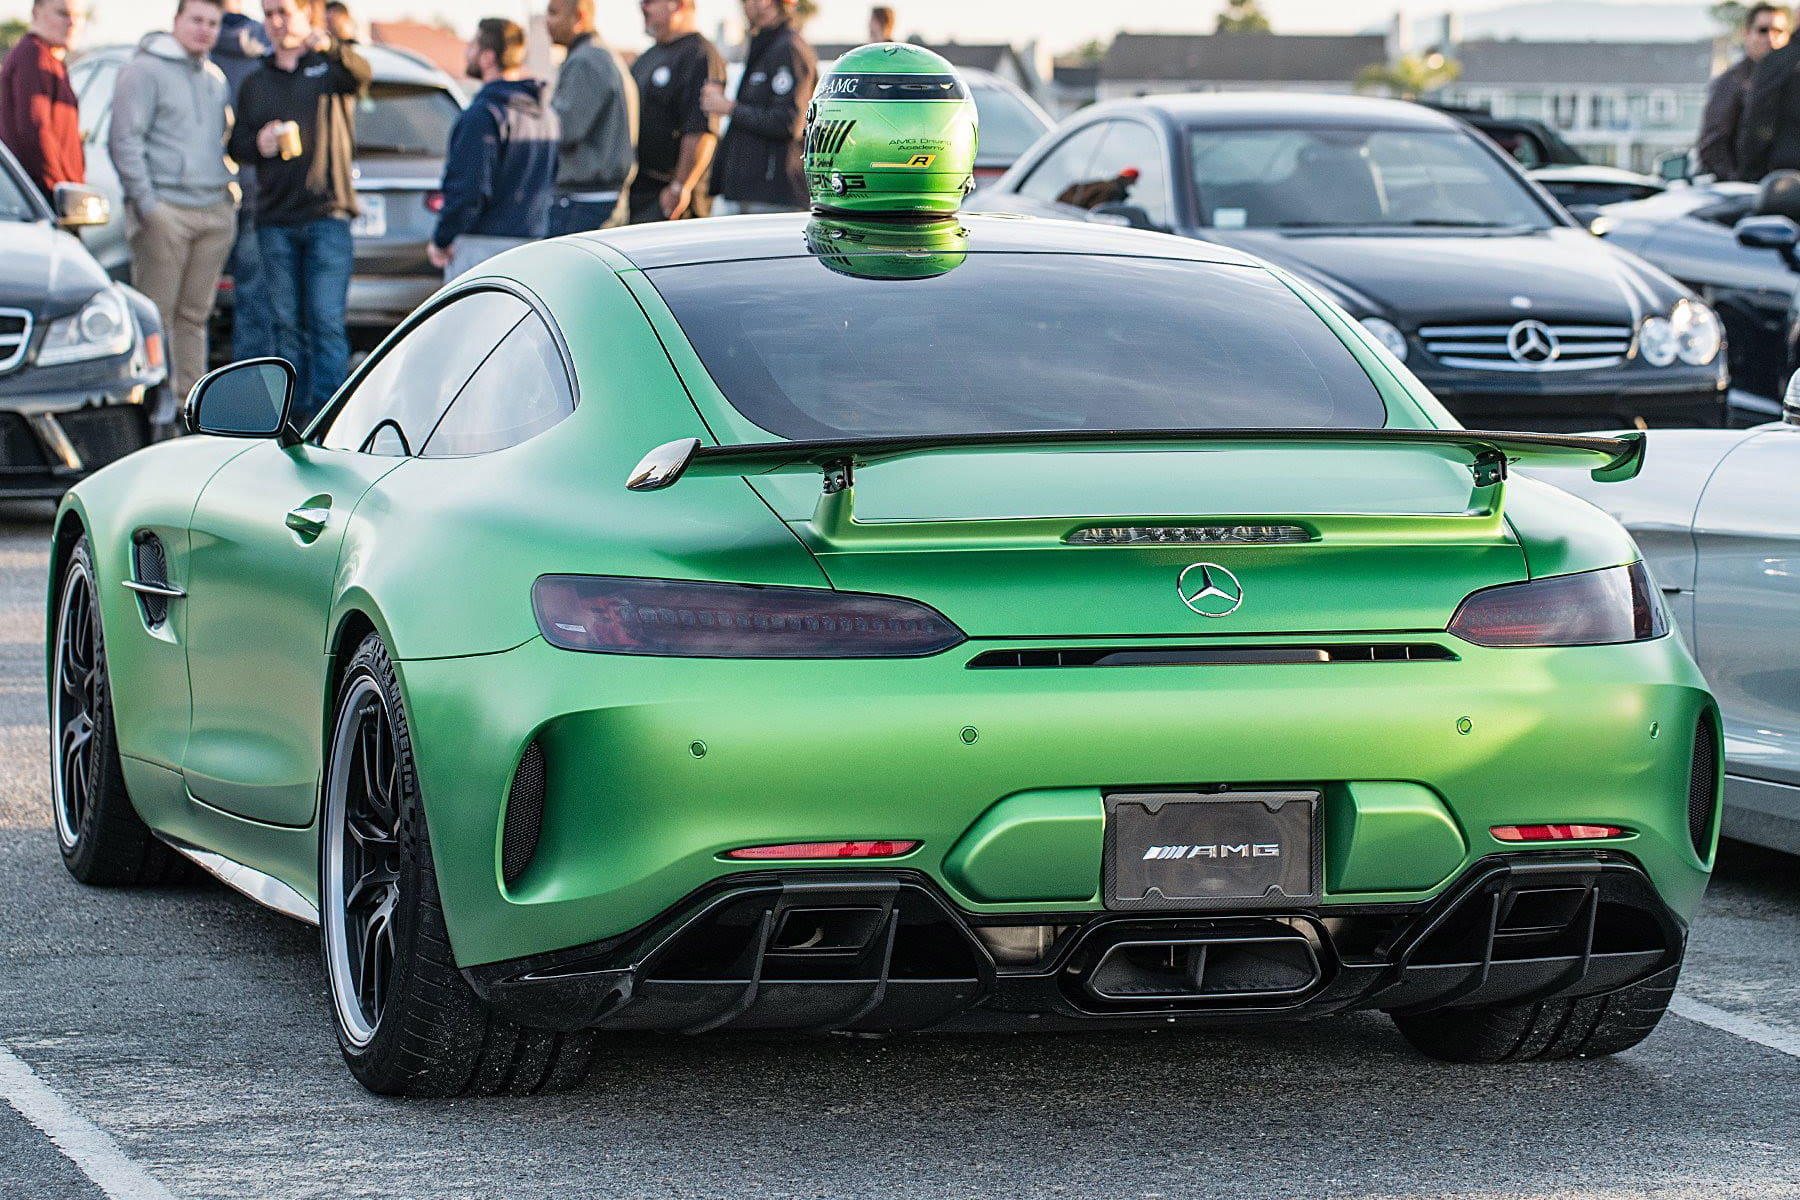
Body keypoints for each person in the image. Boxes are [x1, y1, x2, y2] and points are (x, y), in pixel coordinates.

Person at [227, 0, 371, 422]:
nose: (274, 22)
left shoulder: (329, 67)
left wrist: (329, 44)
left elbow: (362, 74)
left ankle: (330, 420)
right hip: (275, 220)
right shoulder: (256, 81)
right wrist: (260, 145)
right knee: (287, 327)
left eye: (283, 12)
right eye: (268, 13)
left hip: (328, 214)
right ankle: (294, 421)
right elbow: (237, 145)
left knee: (326, 322)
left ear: (308, 15)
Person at [109, 0, 237, 420]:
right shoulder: (143, 70)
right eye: (196, 20)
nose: (204, 30)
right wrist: (148, 206)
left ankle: (190, 408)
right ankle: (152, 409)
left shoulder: (216, 78)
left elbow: (222, 142)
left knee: (195, 317)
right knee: (156, 315)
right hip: (165, 211)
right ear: (176, 22)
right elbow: (125, 141)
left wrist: (228, 199)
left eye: (213, 23)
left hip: (213, 211)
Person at [428, 18, 558, 279]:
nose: (467, 52)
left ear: (488, 57)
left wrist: (442, 239)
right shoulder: (547, 116)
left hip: (482, 251)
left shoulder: (482, 116)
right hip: (533, 248)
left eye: (472, 45)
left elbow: (468, 191)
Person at [703, 0, 816, 214]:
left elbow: (789, 122)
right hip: (750, 194)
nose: (743, 6)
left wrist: (729, 108)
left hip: (773, 199)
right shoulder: (767, 44)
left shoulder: (789, 49)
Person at [212, 0, 273, 361]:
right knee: (256, 303)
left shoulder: (193, 48)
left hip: (202, 194)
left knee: (190, 309)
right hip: (259, 192)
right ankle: (254, 404)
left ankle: (186, 400)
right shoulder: (268, 49)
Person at [628, 0, 725, 223]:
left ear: (677, 4)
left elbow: (701, 130)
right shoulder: (648, 57)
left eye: (650, 2)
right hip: (639, 193)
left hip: (670, 200)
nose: (642, 7)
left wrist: (681, 185)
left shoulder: (700, 56)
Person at [546, 0, 637, 234]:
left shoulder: (586, 60)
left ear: (579, 16)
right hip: (600, 199)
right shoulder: (601, 55)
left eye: (554, 13)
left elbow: (564, 129)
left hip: (584, 202)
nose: (547, 22)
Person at [0, 0, 86, 202]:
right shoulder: (33, 55)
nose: (72, 23)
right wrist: (59, 193)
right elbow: (36, 133)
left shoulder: (49, 57)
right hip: (41, 200)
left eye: (78, 16)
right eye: (62, 14)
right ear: (36, 13)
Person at [1699, 4, 1790, 180]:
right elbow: (1714, 145)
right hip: (1747, 193)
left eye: (1779, 31)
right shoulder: (1731, 82)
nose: (1770, 38)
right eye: (1762, 30)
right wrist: (1740, 183)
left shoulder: (1791, 80)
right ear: (1747, 34)